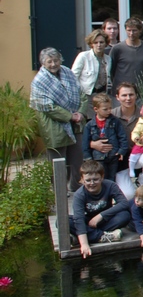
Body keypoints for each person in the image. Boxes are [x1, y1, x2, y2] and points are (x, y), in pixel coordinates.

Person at [31, 47, 86, 189]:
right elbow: (47, 107)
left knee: (77, 158)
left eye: (56, 60)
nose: (54, 64)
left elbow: (82, 94)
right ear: (43, 63)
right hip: (55, 125)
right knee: (58, 161)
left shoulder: (68, 73)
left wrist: (80, 113)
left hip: (76, 123)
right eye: (49, 61)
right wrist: (69, 116)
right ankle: (59, 192)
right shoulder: (39, 81)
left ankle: (77, 187)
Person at [69, 159, 131, 258]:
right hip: (88, 221)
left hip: (106, 220)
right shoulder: (79, 194)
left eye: (95, 179)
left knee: (125, 215)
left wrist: (101, 216)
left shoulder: (110, 185)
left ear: (102, 177)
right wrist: (84, 244)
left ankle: (83, 237)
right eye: (88, 180)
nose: (92, 183)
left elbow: (124, 203)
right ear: (82, 180)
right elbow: (79, 219)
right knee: (63, 222)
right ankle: (103, 236)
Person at [82, 93, 129, 183]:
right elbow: (85, 142)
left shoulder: (115, 122)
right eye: (105, 109)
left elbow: (122, 136)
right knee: (101, 177)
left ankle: (111, 194)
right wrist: (88, 158)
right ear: (96, 109)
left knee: (112, 177)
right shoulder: (89, 125)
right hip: (98, 157)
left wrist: (122, 151)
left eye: (110, 108)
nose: (109, 111)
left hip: (113, 155)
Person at [109, 17, 143, 90]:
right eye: (129, 30)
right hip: (121, 89)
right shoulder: (117, 48)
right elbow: (111, 70)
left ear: (140, 30)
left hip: (139, 89)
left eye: (134, 30)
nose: (131, 33)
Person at [71, 30, 112, 109]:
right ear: (91, 44)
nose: (99, 45)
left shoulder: (108, 59)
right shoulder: (83, 56)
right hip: (87, 95)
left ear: (106, 44)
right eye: (95, 42)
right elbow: (73, 77)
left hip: (102, 95)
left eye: (101, 42)